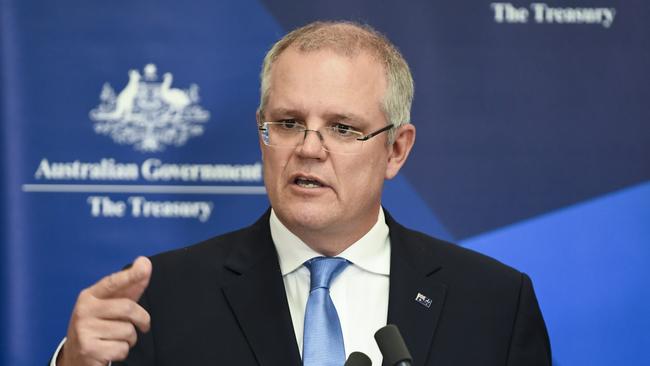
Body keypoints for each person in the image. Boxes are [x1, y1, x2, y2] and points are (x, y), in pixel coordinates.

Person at [52, 21, 551, 366]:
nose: (309, 149)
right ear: (261, 131)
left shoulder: (493, 304)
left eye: (341, 128)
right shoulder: (157, 297)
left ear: (396, 150)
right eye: (288, 123)